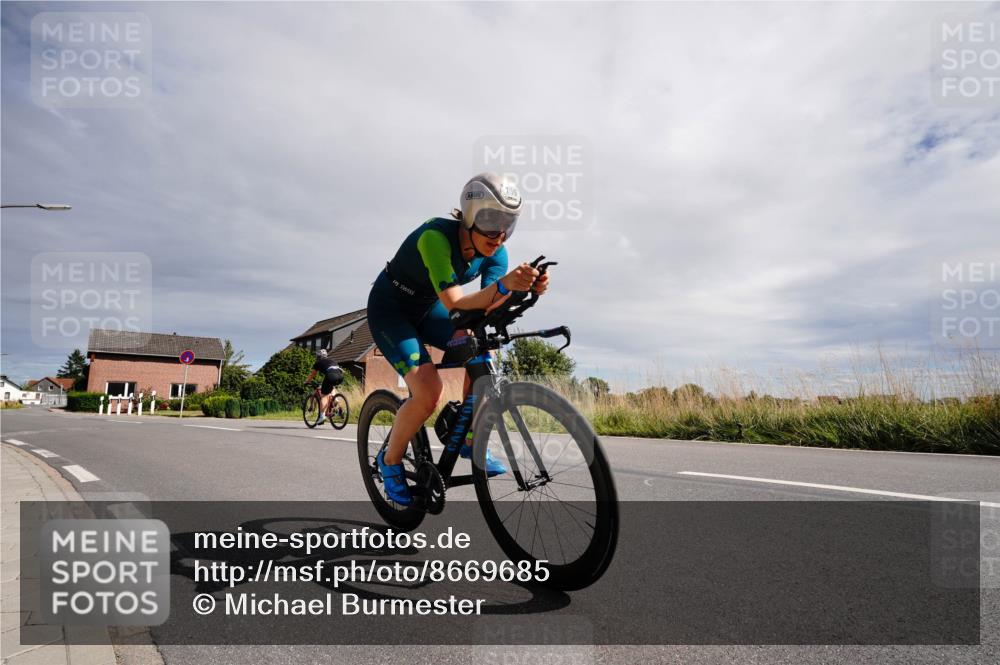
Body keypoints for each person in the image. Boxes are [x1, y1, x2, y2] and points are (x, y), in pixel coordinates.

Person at [366, 172, 549, 505]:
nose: (500, 234)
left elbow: (488, 305)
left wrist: (525, 289)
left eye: (509, 224)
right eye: (492, 220)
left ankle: (465, 437)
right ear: (469, 215)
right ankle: (389, 461)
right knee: (428, 392)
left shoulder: (497, 254)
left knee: (481, 355)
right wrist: (508, 285)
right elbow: (457, 304)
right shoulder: (435, 237)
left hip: (428, 308)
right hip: (392, 310)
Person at [304, 349, 343, 425]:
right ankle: (335, 399)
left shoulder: (318, 362)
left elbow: (313, 374)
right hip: (340, 375)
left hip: (330, 375)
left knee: (324, 395)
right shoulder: (332, 360)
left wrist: (307, 381)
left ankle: (322, 416)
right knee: (331, 386)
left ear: (318, 356)